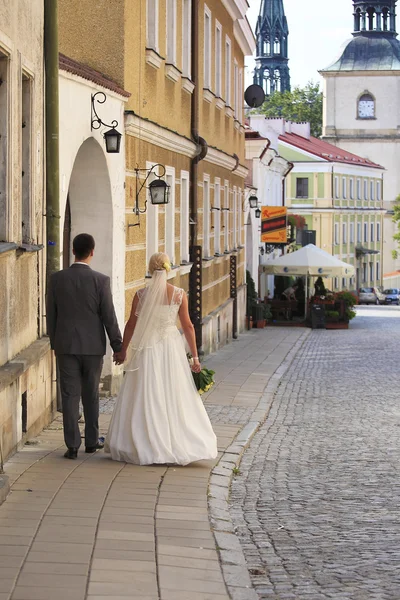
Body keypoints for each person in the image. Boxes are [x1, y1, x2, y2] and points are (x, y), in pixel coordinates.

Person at [105, 252, 218, 466]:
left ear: (149, 270)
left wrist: (123, 350)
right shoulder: (178, 294)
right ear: (168, 269)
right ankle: (178, 440)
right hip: (170, 349)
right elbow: (188, 326)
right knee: (174, 392)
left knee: (145, 392)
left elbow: (131, 325)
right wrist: (195, 357)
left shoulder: (141, 295)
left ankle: (141, 440)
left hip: (148, 349)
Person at [46, 233, 122, 460]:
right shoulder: (101, 280)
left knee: (69, 395)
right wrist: (117, 346)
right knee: (91, 395)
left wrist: (55, 342)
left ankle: (71, 446)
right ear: (92, 252)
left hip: (66, 345)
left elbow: (52, 315)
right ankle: (91, 442)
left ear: (72, 251)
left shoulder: (57, 279)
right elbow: (109, 316)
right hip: (92, 347)